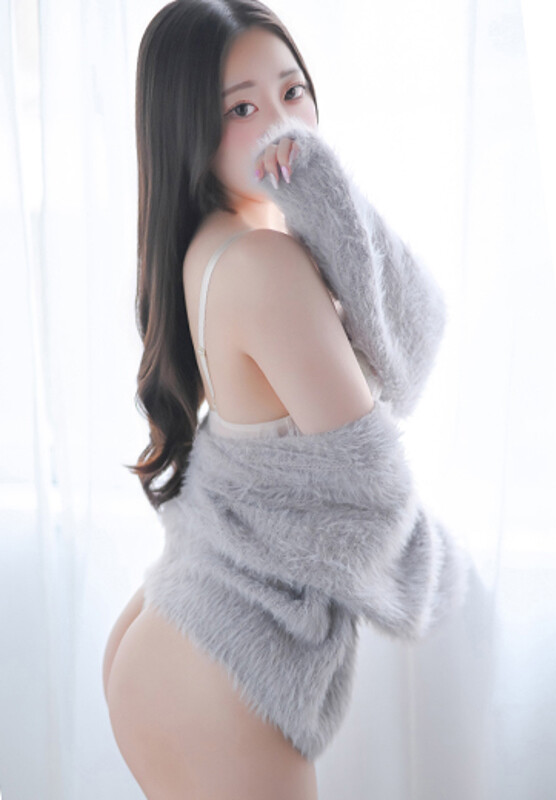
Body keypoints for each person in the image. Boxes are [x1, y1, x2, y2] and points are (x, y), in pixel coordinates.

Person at [103, 2, 373, 797]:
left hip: (177, 624)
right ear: (186, 127)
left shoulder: (214, 244)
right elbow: (367, 479)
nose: (280, 126)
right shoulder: (264, 261)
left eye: (292, 92)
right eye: (241, 110)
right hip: (221, 662)